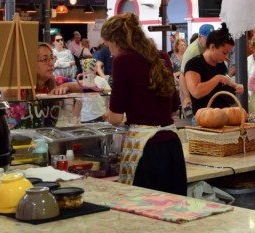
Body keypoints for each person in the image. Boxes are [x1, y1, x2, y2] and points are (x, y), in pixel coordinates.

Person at [101, 13, 185, 195]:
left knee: (144, 207)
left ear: (116, 41)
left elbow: (115, 118)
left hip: (146, 150)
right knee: (173, 206)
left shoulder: (122, 61)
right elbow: (173, 107)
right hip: (172, 145)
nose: (110, 52)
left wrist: (108, 114)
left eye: (109, 46)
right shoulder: (162, 56)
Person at [184, 25, 243, 112]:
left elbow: (225, 80)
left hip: (224, 113)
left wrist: (236, 86)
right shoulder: (193, 64)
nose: (226, 57)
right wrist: (218, 78)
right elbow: (196, 92)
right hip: (204, 116)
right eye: (224, 53)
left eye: (228, 53)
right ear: (212, 47)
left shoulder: (220, 64)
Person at [177, 23, 215, 124]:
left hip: (199, 89)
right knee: (194, 121)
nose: (210, 41)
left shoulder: (208, 47)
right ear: (200, 37)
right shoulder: (192, 52)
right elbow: (182, 75)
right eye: (208, 39)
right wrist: (186, 97)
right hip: (189, 90)